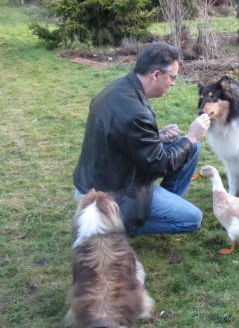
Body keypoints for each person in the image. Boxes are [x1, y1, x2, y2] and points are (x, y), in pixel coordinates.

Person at [73, 41, 210, 237]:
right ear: (155, 75)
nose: (173, 83)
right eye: (172, 77)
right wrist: (192, 136)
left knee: (191, 149)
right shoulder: (136, 113)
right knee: (192, 218)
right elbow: (160, 165)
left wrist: (158, 136)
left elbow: (122, 137)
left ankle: (161, 204)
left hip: (98, 176)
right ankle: (107, 225)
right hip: (113, 191)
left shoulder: (118, 87)